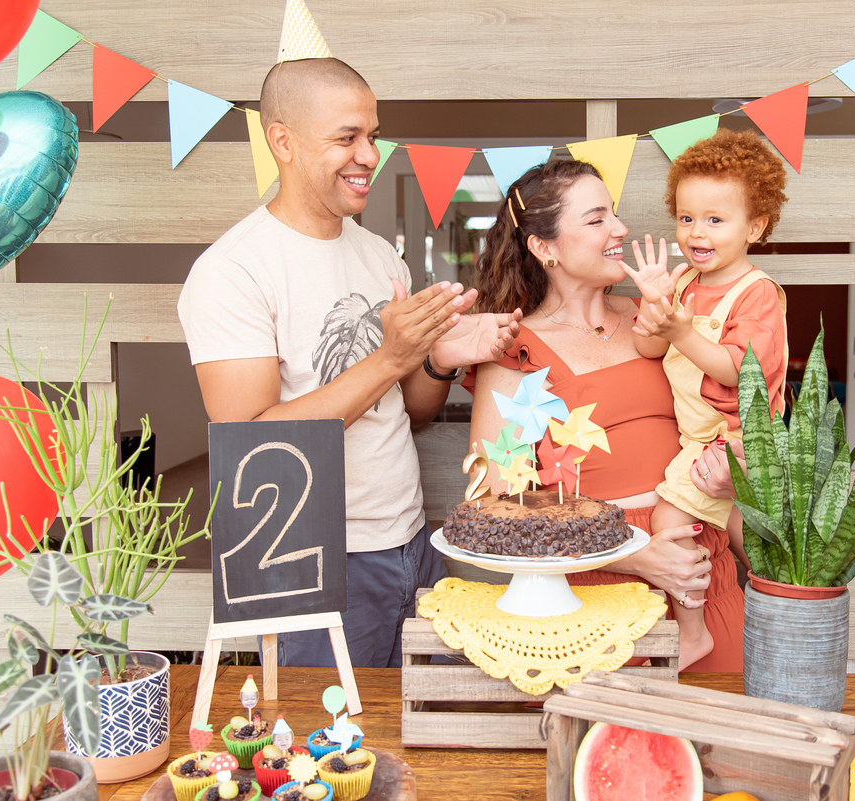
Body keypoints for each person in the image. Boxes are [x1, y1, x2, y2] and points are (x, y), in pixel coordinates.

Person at [177, 58, 521, 668]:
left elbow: (410, 411)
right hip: (311, 557)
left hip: (411, 540)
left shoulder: (379, 255)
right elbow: (252, 445)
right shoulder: (232, 271)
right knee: (327, 726)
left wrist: (438, 360)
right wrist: (390, 357)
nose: (369, 155)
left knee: (424, 717)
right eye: (346, 137)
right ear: (282, 141)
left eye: (373, 135)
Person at [468, 158, 745, 672]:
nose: (620, 228)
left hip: (704, 580)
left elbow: (727, 415)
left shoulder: (661, 320)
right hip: (594, 604)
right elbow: (495, 506)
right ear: (544, 248)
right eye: (597, 219)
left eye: (614, 213)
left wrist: (733, 477)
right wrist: (632, 555)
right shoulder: (516, 352)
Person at [621, 131, 789, 667]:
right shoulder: (687, 283)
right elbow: (649, 347)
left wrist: (682, 331)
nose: (697, 232)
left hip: (732, 438)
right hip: (700, 436)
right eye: (687, 218)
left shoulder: (757, 293)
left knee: (669, 522)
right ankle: (781, 614)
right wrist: (656, 306)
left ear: (754, 227)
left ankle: (692, 633)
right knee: (752, 544)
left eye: (716, 219)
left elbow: (740, 371)